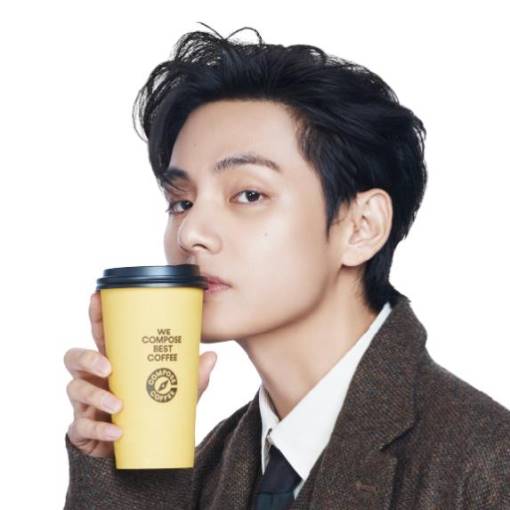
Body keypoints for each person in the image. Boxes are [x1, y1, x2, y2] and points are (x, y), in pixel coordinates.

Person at [63, 23, 510, 509]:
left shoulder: (485, 464)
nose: (190, 233)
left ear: (361, 227)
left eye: (248, 194)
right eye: (181, 202)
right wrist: (124, 474)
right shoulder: (210, 466)